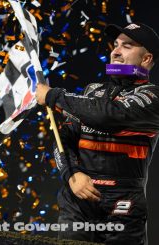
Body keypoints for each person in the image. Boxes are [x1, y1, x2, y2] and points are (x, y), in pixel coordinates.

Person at [35, 22, 159, 244]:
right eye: (116, 45)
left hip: (124, 203)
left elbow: (109, 116)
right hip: (78, 198)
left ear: (146, 59)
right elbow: (62, 138)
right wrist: (71, 174)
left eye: (127, 46)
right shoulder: (93, 91)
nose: (116, 51)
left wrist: (54, 96)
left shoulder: (153, 96)